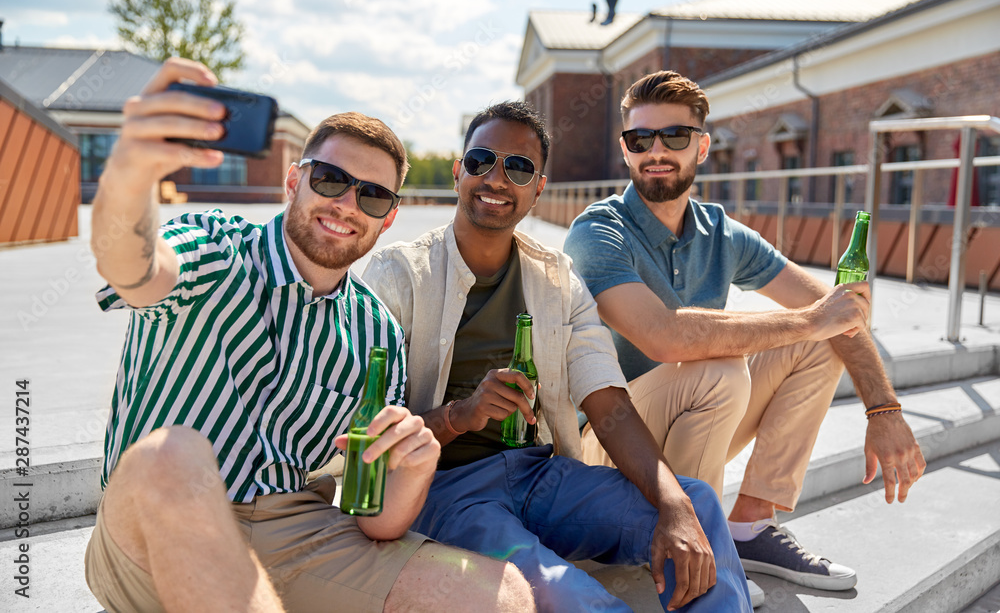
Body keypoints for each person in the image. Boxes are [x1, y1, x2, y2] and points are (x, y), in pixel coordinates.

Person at [84, 57, 535, 613]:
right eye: (330, 180)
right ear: (294, 180)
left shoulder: (376, 332)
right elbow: (132, 267)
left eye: (371, 196)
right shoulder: (216, 249)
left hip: (293, 528)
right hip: (159, 520)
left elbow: (375, 519)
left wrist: (415, 471)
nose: (346, 205)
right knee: (170, 454)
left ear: (388, 218)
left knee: (504, 597)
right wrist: (130, 173)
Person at [362, 101, 753, 612]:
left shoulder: (557, 280)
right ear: (459, 172)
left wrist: (674, 502)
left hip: (540, 475)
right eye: (481, 160)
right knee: (573, 596)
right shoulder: (397, 276)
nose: (497, 179)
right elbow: (368, 431)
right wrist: (463, 415)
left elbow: (607, 400)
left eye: (519, 167)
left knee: (695, 504)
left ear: (539, 187)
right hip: (445, 492)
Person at [564, 70, 927, 594]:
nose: (656, 151)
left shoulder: (722, 233)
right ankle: (689, 544)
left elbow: (838, 313)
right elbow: (662, 336)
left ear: (703, 146)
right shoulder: (599, 230)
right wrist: (813, 318)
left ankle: (749, 525)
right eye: (640, 139)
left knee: (817, 342)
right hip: (606, 442)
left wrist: (885, 410)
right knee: (724, 365)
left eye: (675, 136)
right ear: (625, 150)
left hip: (688, 421)